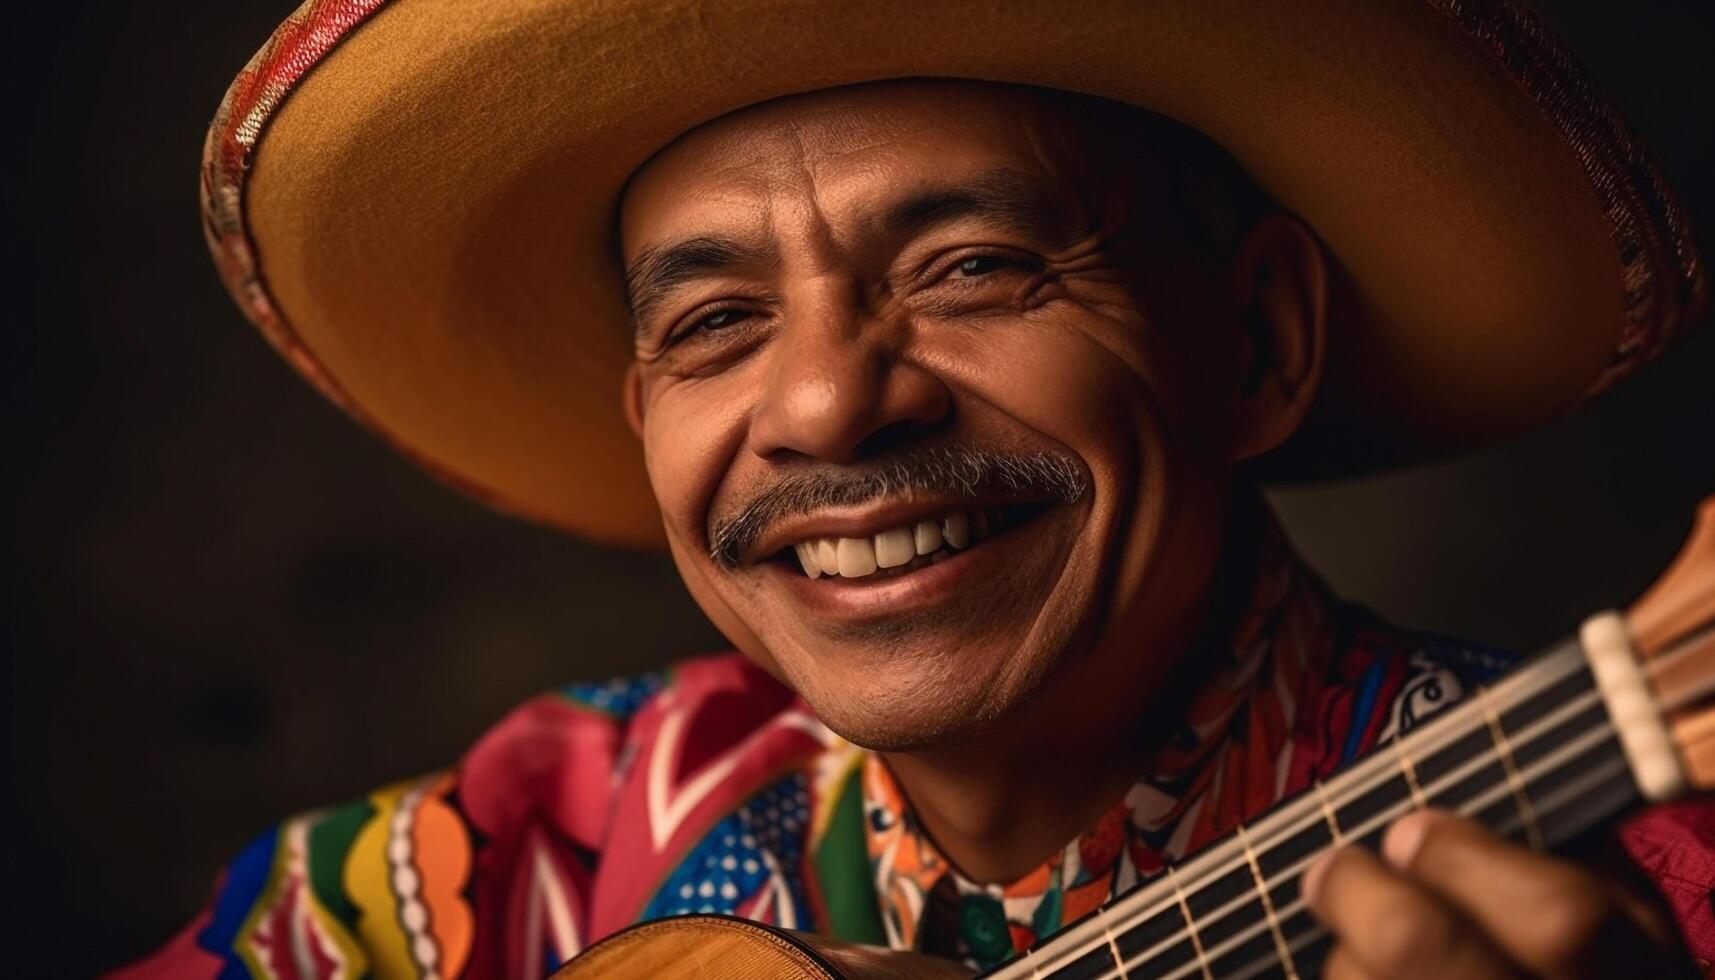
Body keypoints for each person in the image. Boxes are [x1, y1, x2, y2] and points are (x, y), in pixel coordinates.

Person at [124, 0, 1710, 976]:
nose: (826, 404)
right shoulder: (529, 853)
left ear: (1256, 339)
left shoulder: (1631, 885)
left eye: (975, 267)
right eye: (716, 322)